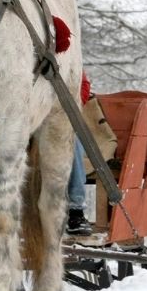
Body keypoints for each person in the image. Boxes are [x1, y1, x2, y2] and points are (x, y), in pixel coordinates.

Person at [66, 72, 93, 236]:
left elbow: (83, 85)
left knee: (71, 140)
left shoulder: (70, 55)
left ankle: (75, 211)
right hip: (27, 118)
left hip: (61, 116)